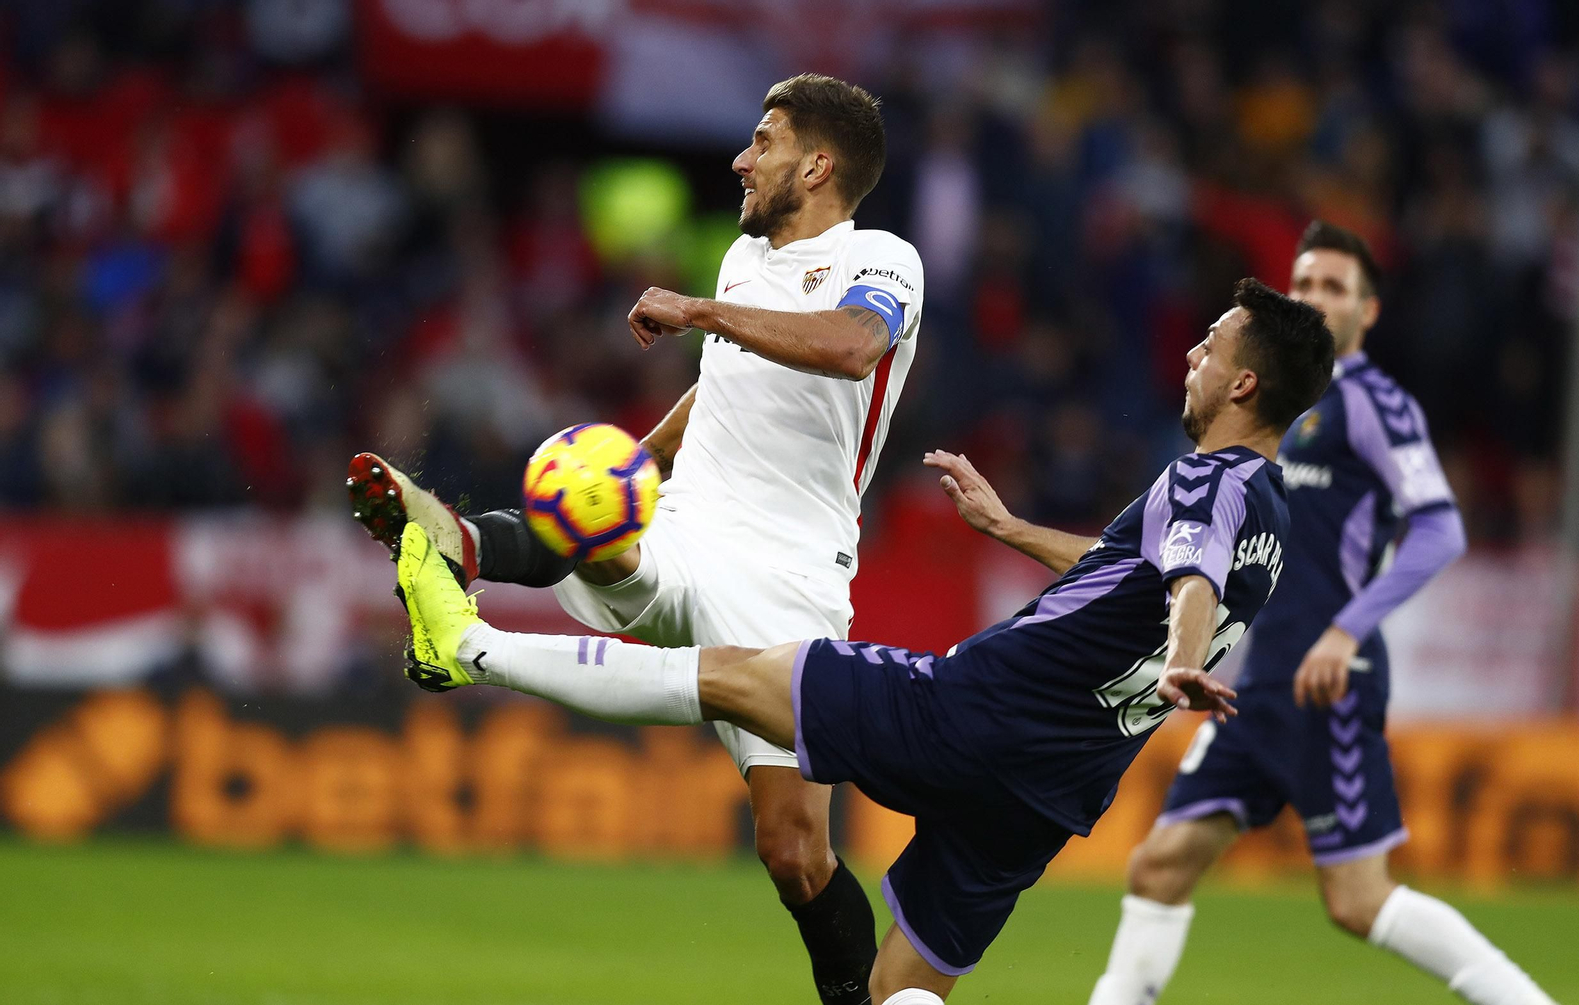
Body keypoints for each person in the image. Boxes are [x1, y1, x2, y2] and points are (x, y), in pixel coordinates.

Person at [390, 279, 1334, 1004]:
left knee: (727, 677)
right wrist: (1011, 531)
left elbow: (1188, 583)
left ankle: (473, 648)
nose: (1193, 357)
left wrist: (1179, 656)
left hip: (977, 711)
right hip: (1057, 790)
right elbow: (1141, 565)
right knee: (903, 992)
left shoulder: (1208, 479)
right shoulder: (1273, 517)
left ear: (1244, 381)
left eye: (1211, 346)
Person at [347, 73, 922, 1005]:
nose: (743, 158)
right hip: (689, 525)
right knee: (601, 519)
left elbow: (852, 346)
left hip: (793, 571)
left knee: (795, 852)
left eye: (765, 143)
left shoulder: (884, 258)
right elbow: (727, 382)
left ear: (818, 166)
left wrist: (698, 312)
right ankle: (451, 541)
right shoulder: (744, 265)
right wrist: (643, 460)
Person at [1083, 223, 1557, 1005]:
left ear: (1367, 313)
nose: (1313, 297)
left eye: (1334, 287)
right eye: (1304, 283)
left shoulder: (1375, 403)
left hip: (1326, 681)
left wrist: (1346, 630)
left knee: (1357, 899)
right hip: (1260, 685)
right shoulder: (1277, 406)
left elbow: (1440, 527)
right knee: (1159, 863)